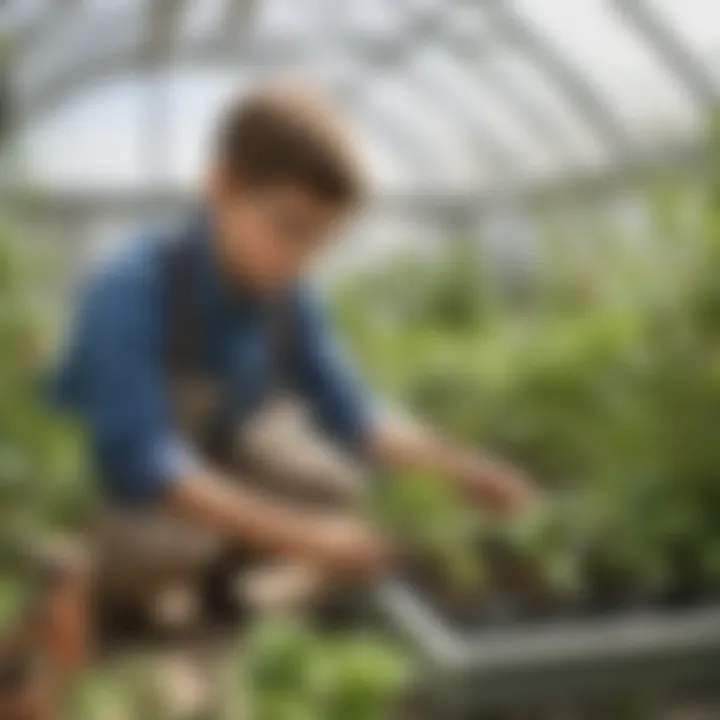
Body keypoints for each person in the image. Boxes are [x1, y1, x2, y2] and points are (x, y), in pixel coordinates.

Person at [52, 83, 534, 617]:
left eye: (320, 241)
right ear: (222, 187)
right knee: (174, 545)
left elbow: (354, 415)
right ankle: (106, 600)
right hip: (104, 490)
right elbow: (138, 460)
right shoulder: (133, 284)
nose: (301, 258)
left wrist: (462, 469)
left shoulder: (288, 294)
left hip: (208, 458)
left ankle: (222, 585)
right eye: (289, 228)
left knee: (342, 491)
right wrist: (304, 539)